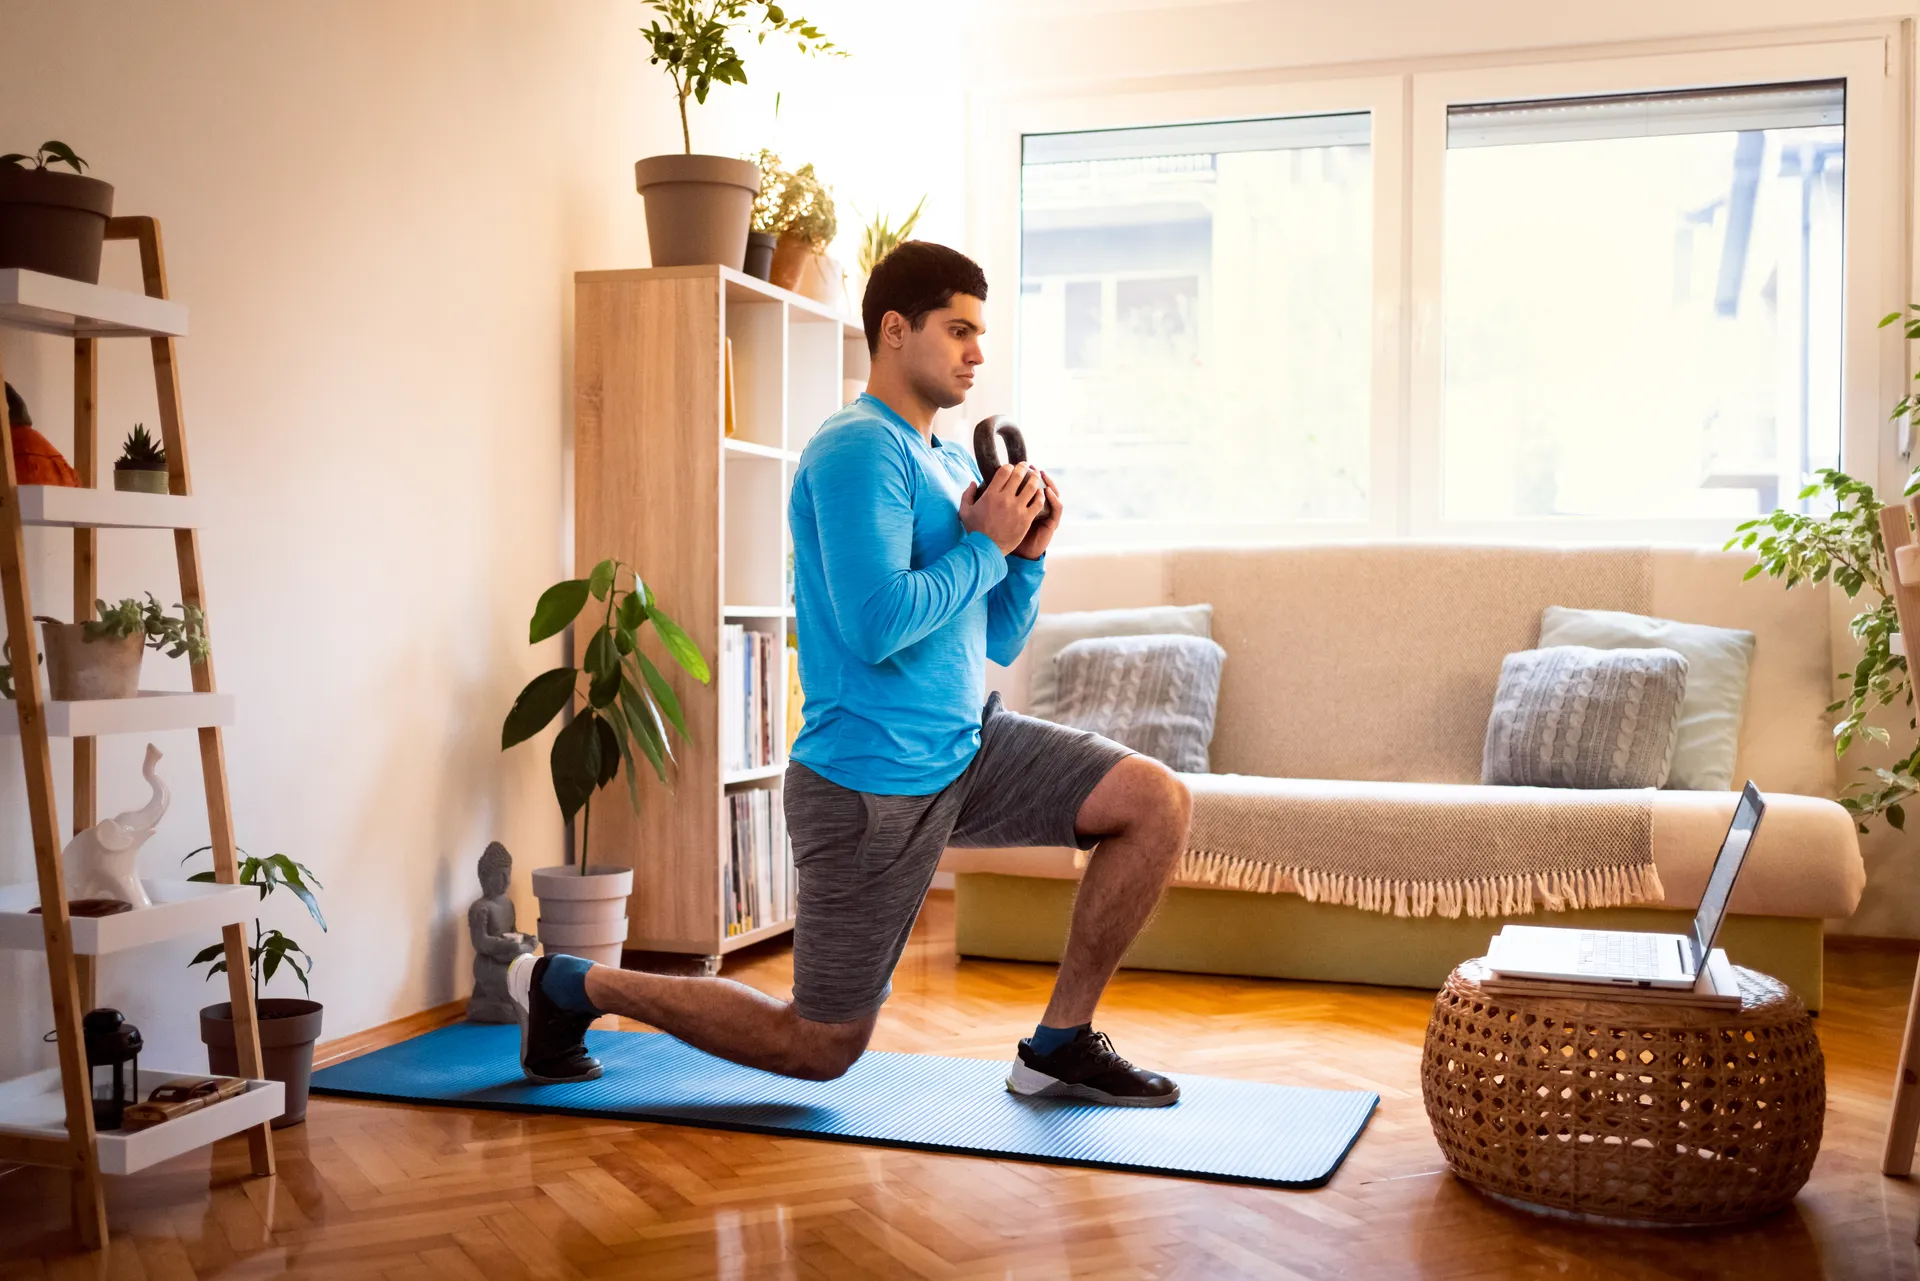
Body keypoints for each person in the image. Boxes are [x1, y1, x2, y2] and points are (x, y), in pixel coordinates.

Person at [509, 241, 1193, 1104]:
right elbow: (876, 626)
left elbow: (1002, 640)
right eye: (958, 330)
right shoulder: (858, 449)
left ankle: (1059, 1043)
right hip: (867, 787)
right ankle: (571, 984)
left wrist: (1027, 554)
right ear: (895, 330)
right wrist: (986, 544)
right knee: (819, 1046)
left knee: (1154, 801)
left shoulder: (947, 460)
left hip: (967, 747)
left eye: (981, 334)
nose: (977, 352)